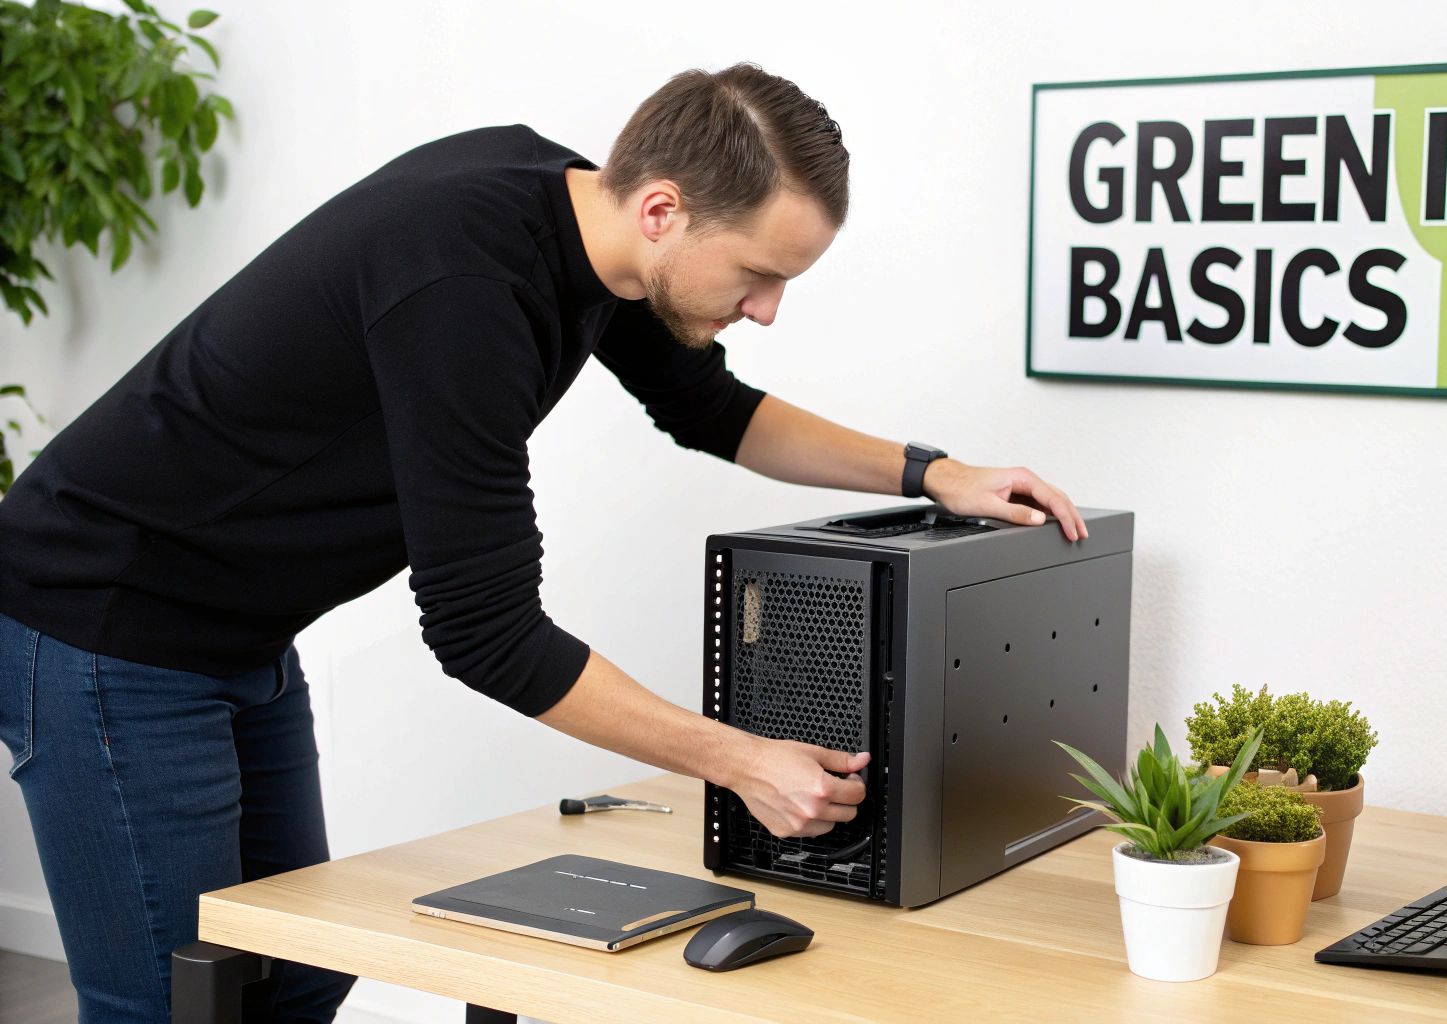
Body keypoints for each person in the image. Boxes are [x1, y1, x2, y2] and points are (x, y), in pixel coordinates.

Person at [0, 63, 1085, 1021]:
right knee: (165, 993)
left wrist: (933, 471)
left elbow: (712, 411)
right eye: (759, 274)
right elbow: (484, 631)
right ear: (662, 208)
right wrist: (738, 760)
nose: (767, 309)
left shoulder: (584, 221)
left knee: (295, 974)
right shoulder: (464, 287)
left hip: (237, 629)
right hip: (105, 623)